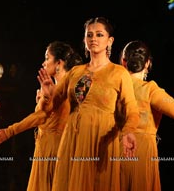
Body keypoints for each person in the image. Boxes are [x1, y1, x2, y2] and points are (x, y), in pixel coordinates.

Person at [36, 17, 140, 191]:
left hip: (102, 140)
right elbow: (50, 108)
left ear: (110, 40)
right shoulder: (76, 72)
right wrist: (47, 97)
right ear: (84, 40)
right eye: (89, 35)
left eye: (99, 35)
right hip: (73, 140)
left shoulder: (119, 73)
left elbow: (132, 110)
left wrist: (129, 132)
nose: (94, 39)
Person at [0, 41, 83, 191]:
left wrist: (9, 131)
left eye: (47, 58)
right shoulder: (52, 87)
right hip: (44, 149)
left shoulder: (66, 89)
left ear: (59, 63)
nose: (43, 62)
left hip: (55, 152)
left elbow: (42, 116)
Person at [118, 40, 174, 191]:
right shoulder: (150, 90)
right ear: (147, 64)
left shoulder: (115, 88)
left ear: (123, 61)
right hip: (140, 151)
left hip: (115, 150)